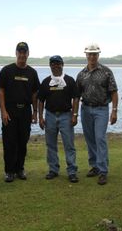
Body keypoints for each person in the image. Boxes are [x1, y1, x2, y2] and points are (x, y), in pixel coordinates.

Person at [76, 43, 118, 185]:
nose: (92, 56)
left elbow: (113, 92)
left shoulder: (106, 71)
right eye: (90, 54)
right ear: (86, 55)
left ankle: (103, 171)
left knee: (100, 138)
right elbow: (76, 95)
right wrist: (74, 113)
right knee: (90, 139)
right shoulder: (81, 74)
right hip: (85, 109)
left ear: (98, 55)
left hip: (101, 109)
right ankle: (94, 165)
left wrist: (114, 111)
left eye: (95, 54)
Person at [0, 42, 40, 182]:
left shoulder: (32, 72)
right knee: (9, 142)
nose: (22, 55)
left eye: (24, 52)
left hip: (25, 111)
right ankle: (9, 171)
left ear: (28, 54)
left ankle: (19, 169)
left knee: (22, 141)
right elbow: (1, 91)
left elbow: (35, 94)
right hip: (10, 110)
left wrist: (35, 112)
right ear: (16, 53)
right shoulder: (7, 70)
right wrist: (3, 111)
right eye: (19, 52)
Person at [38, 55, 79, 183]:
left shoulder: (70, 80)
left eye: (58, 63)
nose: (55, 66)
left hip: (66, 115)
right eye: (53, 64)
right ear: (50, 66)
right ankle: (53, 169)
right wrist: (40, 117)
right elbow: (40, 100)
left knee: (69, 145)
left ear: (62, 65)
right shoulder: (45, 82)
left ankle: (72, 171)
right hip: (50, 115)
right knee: (51, 145)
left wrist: (74, 115)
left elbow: (76, 98)